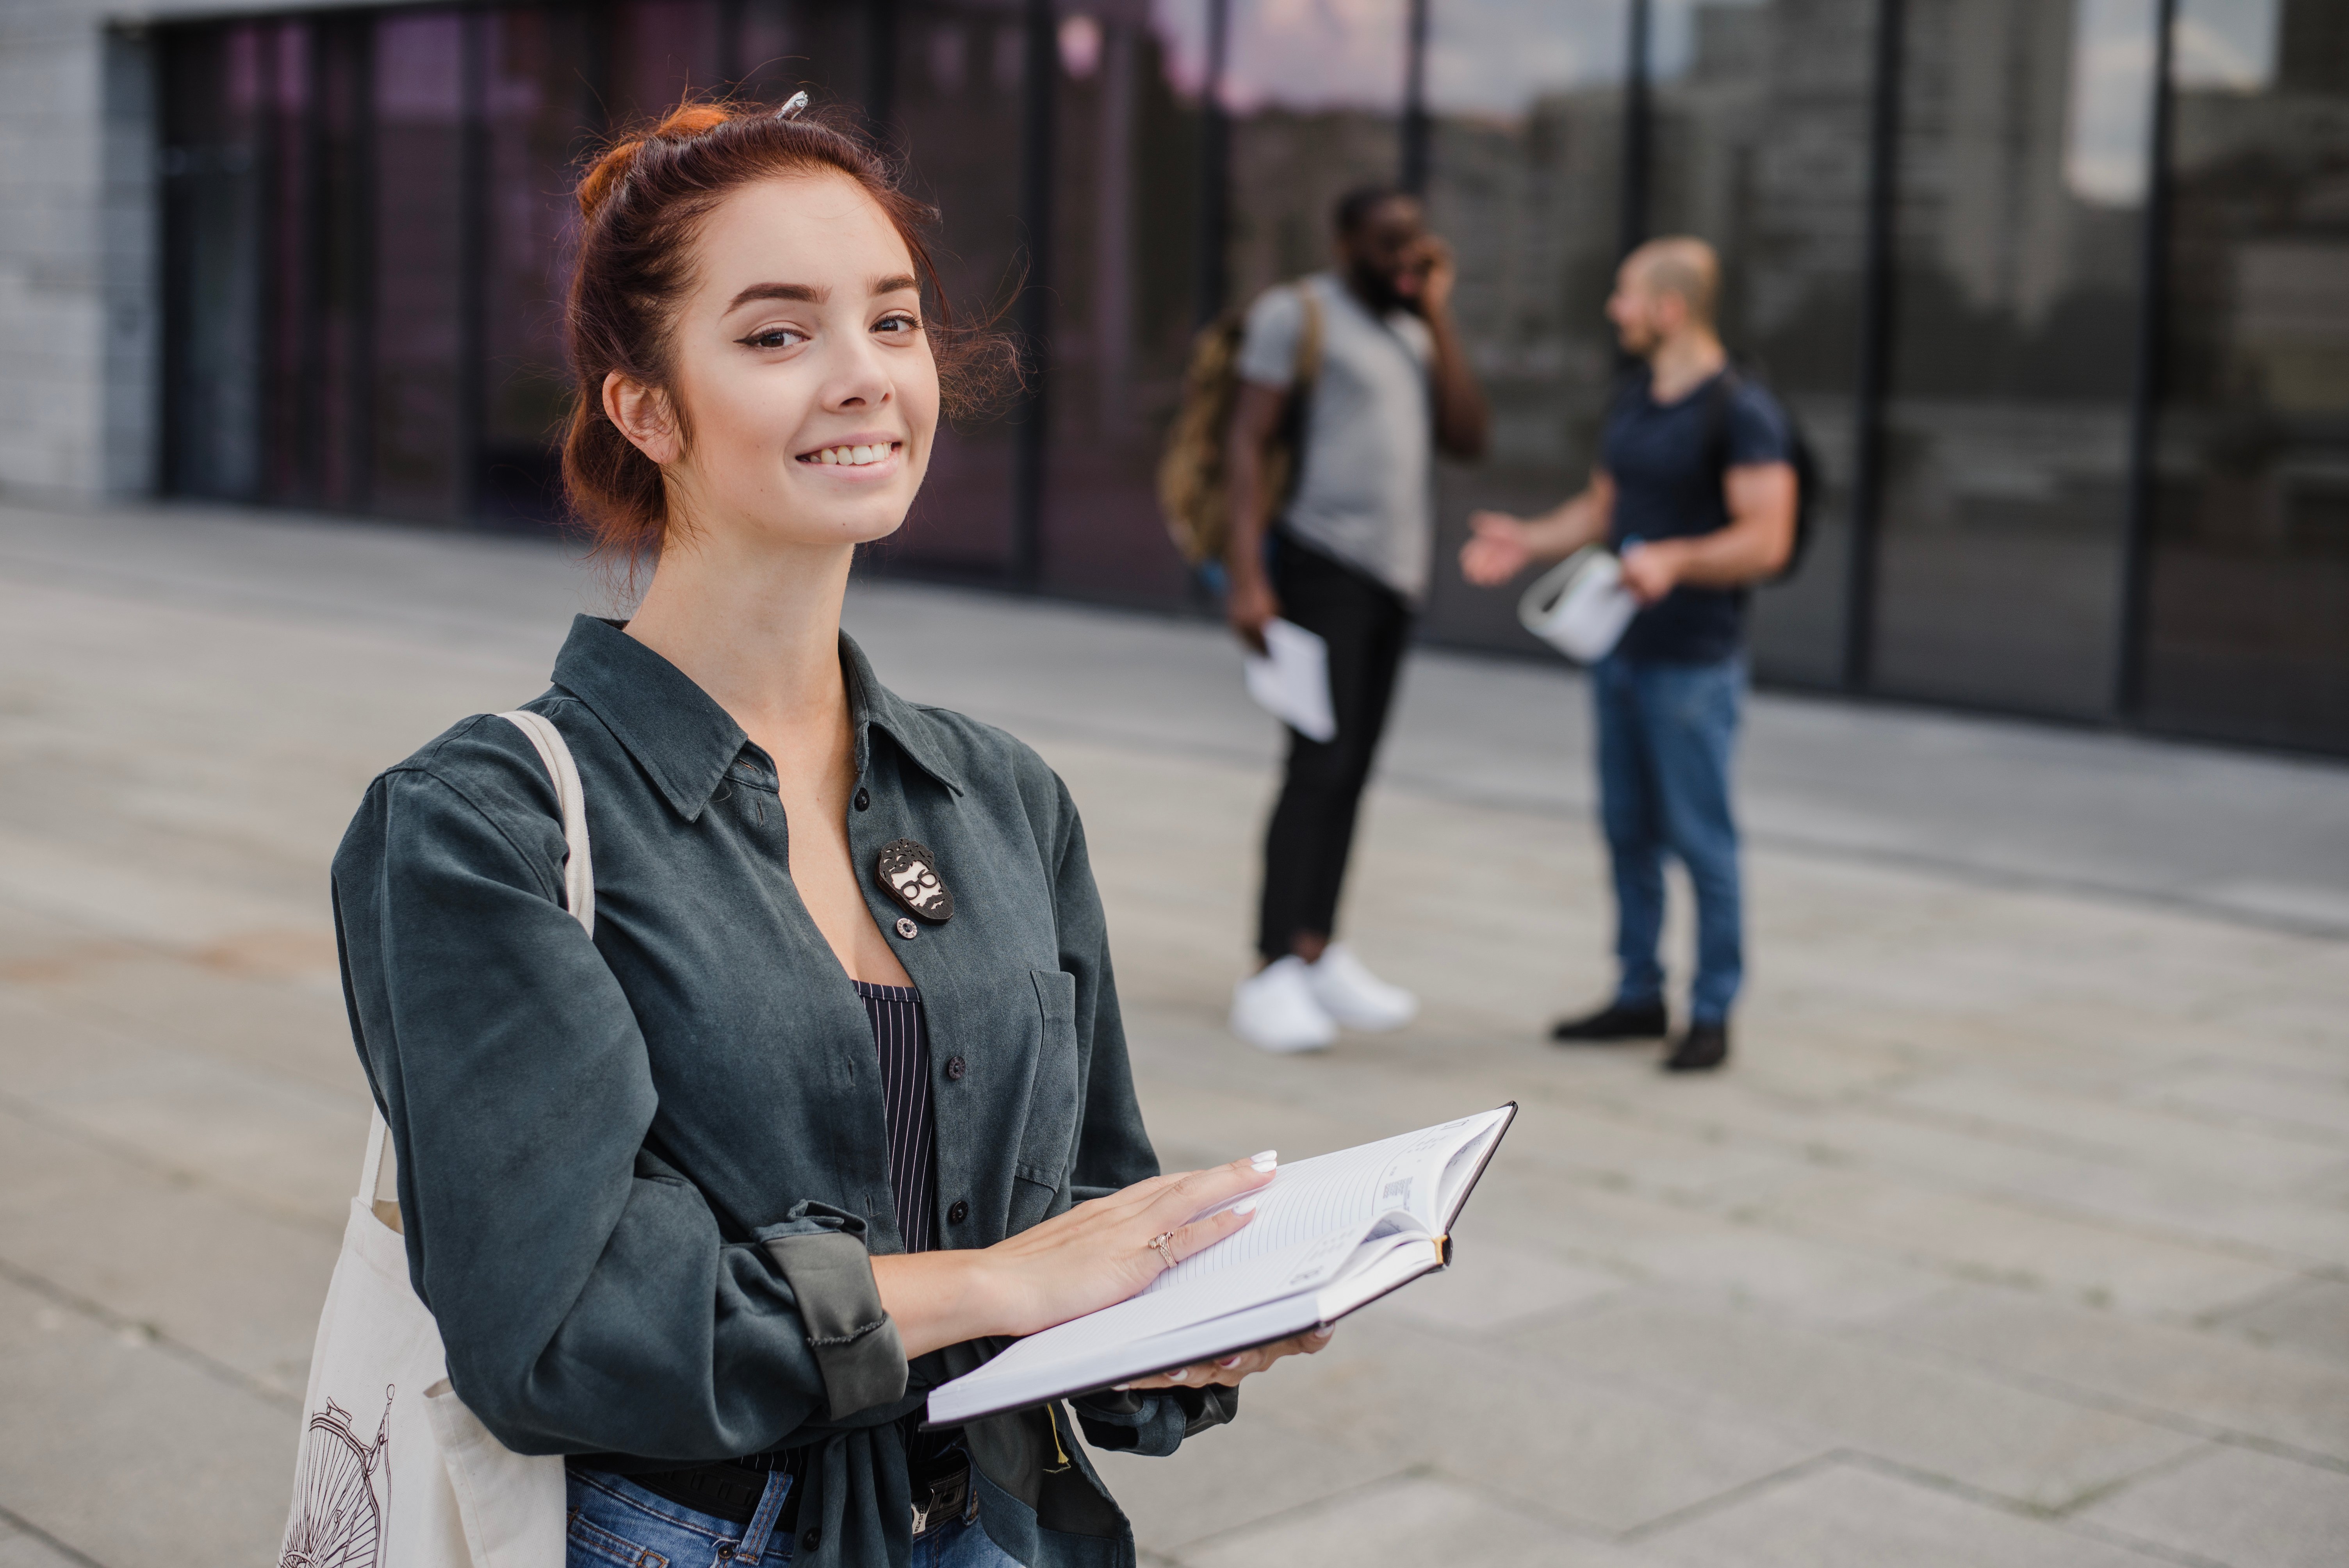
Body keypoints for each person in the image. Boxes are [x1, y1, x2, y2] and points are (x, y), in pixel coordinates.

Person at [330, 101, 1331, 1568]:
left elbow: (1086, 1202)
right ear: (645, 409)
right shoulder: (481, 826)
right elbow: (554, 1329)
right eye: (778, 334)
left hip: (1000, 1526)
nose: (864, 378)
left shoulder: (1001, 796)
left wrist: (1177, 1304)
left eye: (895, 321)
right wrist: (998, 1282)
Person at [1459, 237, 1796, 1073]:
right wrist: (1526, 540)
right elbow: (1604, 509)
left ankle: (1711, 1011)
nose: (1613, 310)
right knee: (1625, 832)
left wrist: (1678, 559)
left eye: (1624, 296)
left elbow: (1768, 538)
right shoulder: (1635, 397)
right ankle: (1637, 993)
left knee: (1701, 839)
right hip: (1619, 651)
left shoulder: (1741, 409)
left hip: (1692, 661)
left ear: (1668, 307)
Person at [1223, 184, 1490, 1054]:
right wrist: (1248, 575)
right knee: (1315, 763)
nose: (1403, 260)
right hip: (1317, 565)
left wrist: (1438, 312)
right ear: (1344, 242)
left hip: (1392, 580)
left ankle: (1318, 946)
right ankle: (1269, 969)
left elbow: (1467, 433)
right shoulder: (1295, 314)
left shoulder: (1413, 326)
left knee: (1355, 768)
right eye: (1386, 246)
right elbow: (1245, 440)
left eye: (1415, 245)